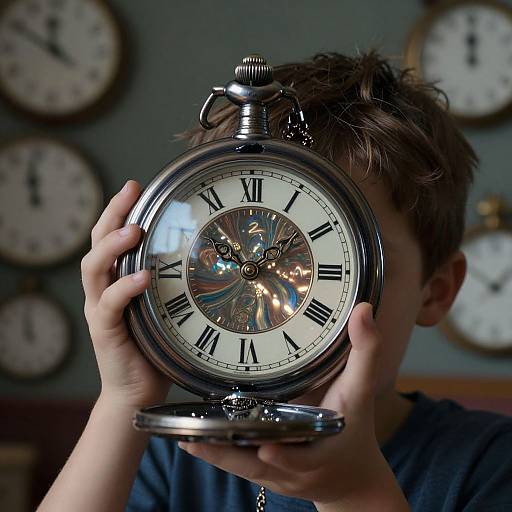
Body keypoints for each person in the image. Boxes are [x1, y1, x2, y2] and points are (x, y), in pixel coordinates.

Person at [38, 51, 512, 512]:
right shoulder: (167, 455)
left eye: (340, 266)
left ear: (438, 289)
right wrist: (124, 400)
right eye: (215, 256)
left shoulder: (490, 464)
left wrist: (353, 491)